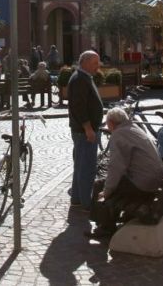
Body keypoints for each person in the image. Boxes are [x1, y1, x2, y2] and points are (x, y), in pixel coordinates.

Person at [88, 107, 163, 240]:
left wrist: (107, 191)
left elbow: (116, 167)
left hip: (142, 184)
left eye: (107, 123)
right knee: (110, 183)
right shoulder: (134, 128)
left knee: (100, 185)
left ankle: (105, 227)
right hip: (154, 180)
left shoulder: (118, 134)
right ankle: (106, 222)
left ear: (111, 123)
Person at [68, 50, 104, 212]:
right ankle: (86, 203)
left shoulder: (84, 77)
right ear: (85, 62)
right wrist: (88, 128)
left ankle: (77, 199)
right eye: (95, 63)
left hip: (84, 130)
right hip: (84, 132)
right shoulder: (79, 79)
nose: (98, 66)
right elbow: (79, 107)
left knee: (81, 166)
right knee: (87, 167)